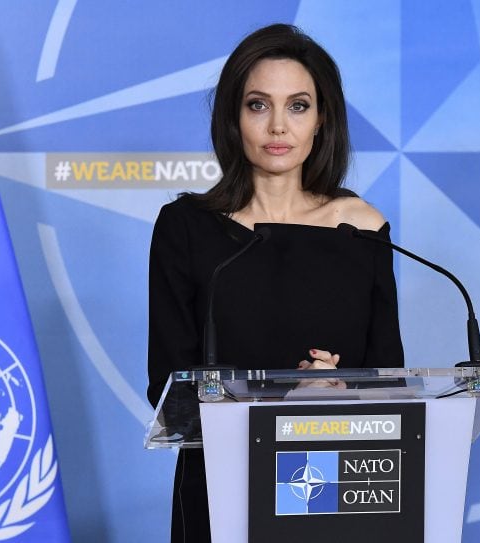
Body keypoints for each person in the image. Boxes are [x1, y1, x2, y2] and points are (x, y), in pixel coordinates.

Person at [147, 23, 404, 542]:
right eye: (259, 105)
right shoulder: (187, 229)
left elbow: (390, 381)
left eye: (299, 105)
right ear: (233, 118)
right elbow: (167, 390)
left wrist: (339, 390)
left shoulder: (362, 227)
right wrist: (286, 399)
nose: (279, 127)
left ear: (321, 119)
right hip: (220, 490)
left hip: (334, 486)